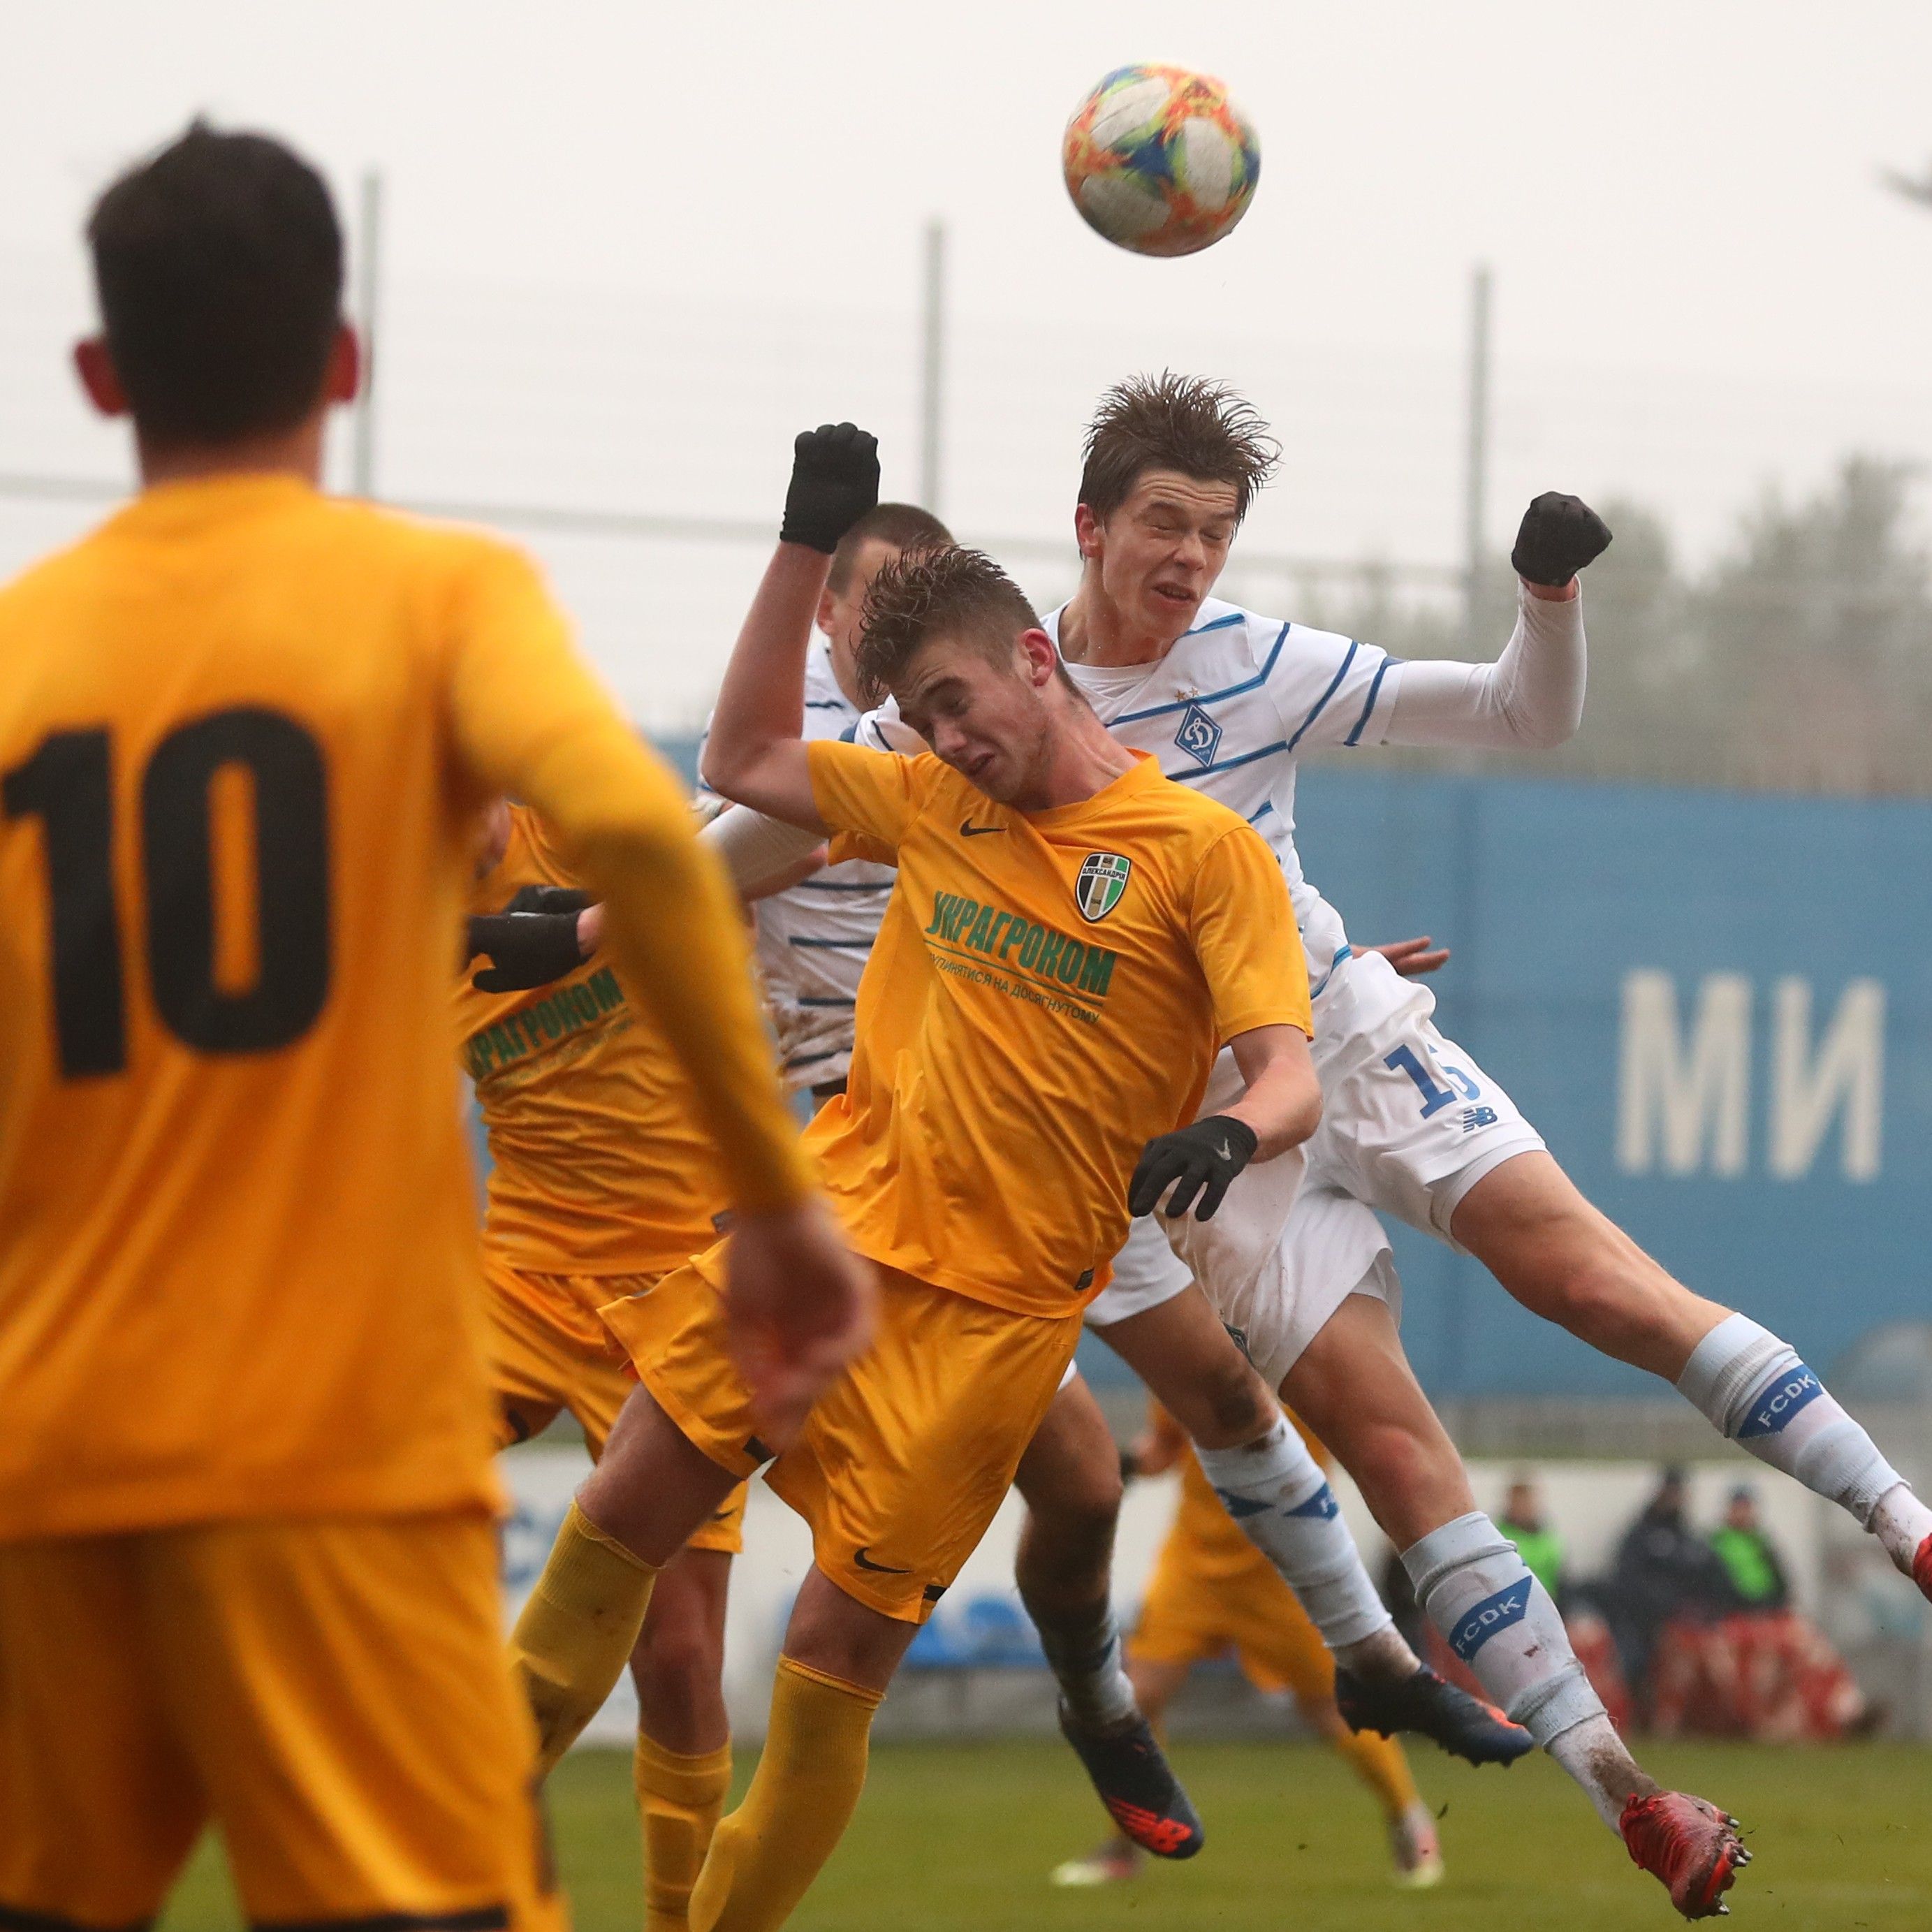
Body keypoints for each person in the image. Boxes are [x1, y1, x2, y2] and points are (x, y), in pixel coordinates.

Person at [0, 124, 863, 1932]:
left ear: (97, 377)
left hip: (53, 1444)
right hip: (325, 1436)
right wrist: (783, 1206)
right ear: (343, 360)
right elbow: (646, 833)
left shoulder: (22, 655)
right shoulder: (427, 599)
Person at [508, 425, 1328, 1932]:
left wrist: (1235, 1130)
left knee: (832, 1666)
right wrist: (804, 541)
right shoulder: (934, 802)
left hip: (993, 1326)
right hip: (820, 1244)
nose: (939, 738)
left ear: (1034, 658)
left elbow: (1288, 1067)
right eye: (912, 718)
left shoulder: (1198, 855)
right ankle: (424, 1883)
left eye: (950, 703)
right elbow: (740, 762)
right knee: (614, 1519)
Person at [460, 798, 754, 1932]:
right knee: (355, 1484)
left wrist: (589, 926)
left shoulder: (585, 826)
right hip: (520, 1277)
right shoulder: (401, 909)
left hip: (680, 1284)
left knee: (678, 1659)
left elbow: (777, 836)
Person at [1051, 1400, 1443, 1892]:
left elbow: (1357, 1434)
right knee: (1137, 1697)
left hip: (1281, 1566)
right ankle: (1125, 1844)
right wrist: (1121, 1466)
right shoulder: (1179, 1346)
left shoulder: (1295, 1357)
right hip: (1195, 1562)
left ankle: (1409, 1820)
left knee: (1332, 1707)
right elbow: (1166, 1445)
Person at [1708, 1486, 1791, 1614]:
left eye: (1746, 1508)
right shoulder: (1719, 1540)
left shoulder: (1761, 1540)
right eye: (1738, 1508)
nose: (1743, 1513)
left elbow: (1777, 1574)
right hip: (1733, 1609)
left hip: (1767, 1607)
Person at [1498, 1475, 1567, 1607]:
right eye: (1519, 1502)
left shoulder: (1551, 1540)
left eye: (1527, 1501)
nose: (1524, 1507)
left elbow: (1562, 1583)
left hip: (1549, 1605)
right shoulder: (1499, 1538)